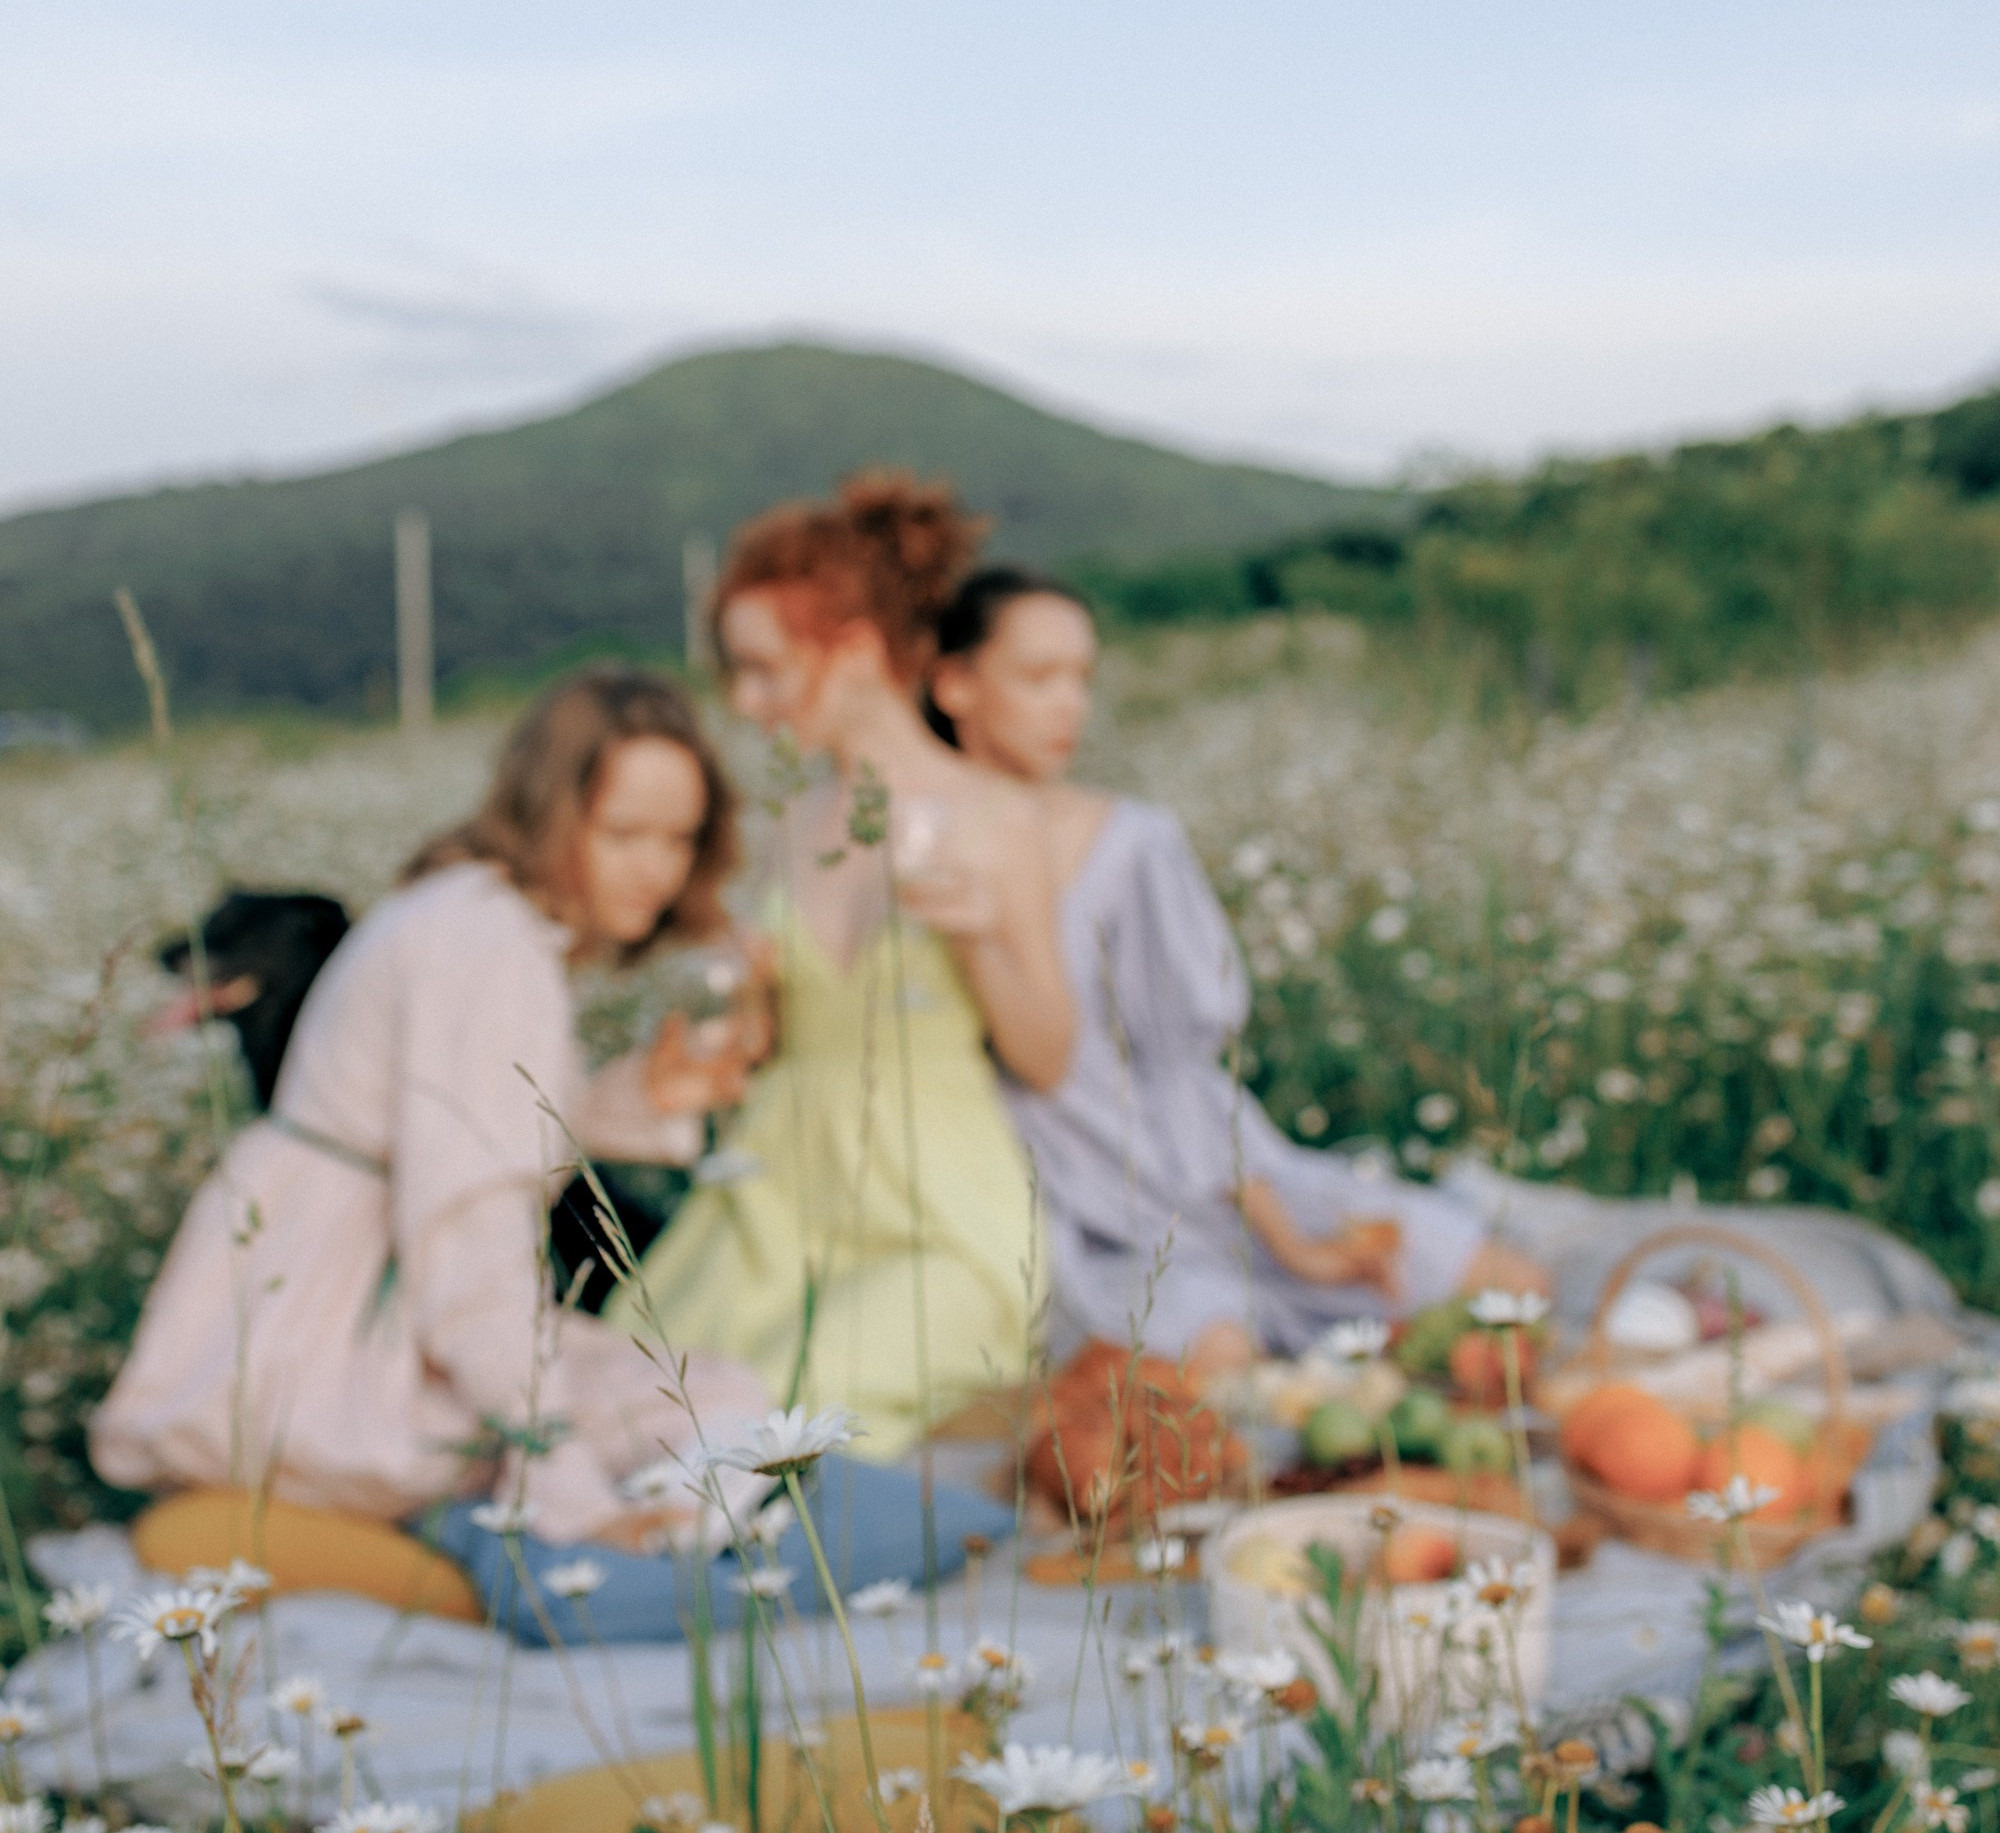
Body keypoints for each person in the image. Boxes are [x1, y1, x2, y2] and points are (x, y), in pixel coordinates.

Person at [92, 666, 1006, 1638]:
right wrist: (572, 1497)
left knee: (709, 1404)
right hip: (341, 1336)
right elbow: (467, 1256)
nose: (654, 869)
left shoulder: (465, 911)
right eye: (623, 834)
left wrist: (638, 1100)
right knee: (722, 1421)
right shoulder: (487, 950)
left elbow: (458, 1132)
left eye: (678, 837)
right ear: (547, 811)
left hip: (307, 1289)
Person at [928, 569, 1545, 1378]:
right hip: (1085, 1217)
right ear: (954, 684)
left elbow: (1188, 1081)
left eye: (1082, 679)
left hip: (1222, 1180)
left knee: (1514, 1291)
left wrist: (1289, 1238)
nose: (1071, 706)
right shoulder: (911, 848)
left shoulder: (1131, 844)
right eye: (1040, 678)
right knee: (1216, 1376)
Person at [610, 477, 1069, 1453]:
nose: (744, 701)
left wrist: (981, 937)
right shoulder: (784, 828)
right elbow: (764, 1051)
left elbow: (1048, 1056)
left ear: (856, 654)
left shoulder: (997, 820)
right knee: (632, 1392)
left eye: (766, 670)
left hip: (935, 1216)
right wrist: (740, 1011)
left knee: (773, 1409)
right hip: (778, 1200)